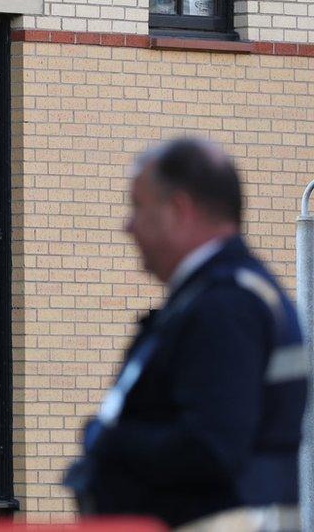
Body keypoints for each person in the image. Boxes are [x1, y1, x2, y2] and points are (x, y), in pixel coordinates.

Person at [64, 138, 309, 528]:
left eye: (138, 207)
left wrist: (110, 441)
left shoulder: (226, 308)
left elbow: (211, 449)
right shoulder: (218, 298)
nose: (128, 226)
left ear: (180, 210)